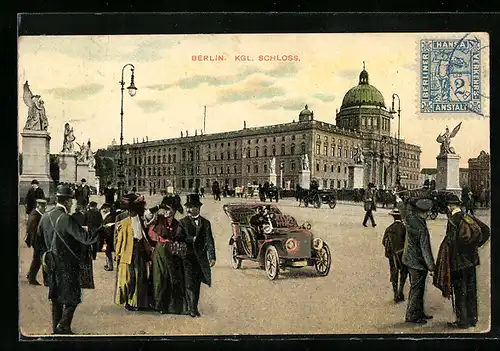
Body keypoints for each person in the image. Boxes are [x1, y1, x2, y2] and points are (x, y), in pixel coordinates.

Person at [37, 184, 98, 334]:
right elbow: (86, 238)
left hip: (51, 264)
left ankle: (57, 330)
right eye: (71, 201)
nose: (72, 204)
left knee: (56, 298)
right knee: (73, 298)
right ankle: (63, 325)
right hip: (67, 266)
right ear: (68, 202)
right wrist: (98, 228)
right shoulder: (66, 219)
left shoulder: (45, 217)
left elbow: (38, 242)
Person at [434, 193, 490, 329]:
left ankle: (462, 321)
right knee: (471, 289)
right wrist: (475, 247)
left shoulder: (453, 220)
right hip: (471, 260)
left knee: (460, 291)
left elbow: (451, 242)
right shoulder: (467, 216)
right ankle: (472, 319)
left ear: (450, 206)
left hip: (458, 261)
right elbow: (486, 230)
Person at [395, 195, 435, 324]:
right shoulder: (421, 228)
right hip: (418, 263)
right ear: (426, 212)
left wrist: (398, 200)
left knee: (418, 287)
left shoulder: (411, 219)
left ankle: (419, 312)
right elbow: (425, 249)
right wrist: (431, 267)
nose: (429, 214)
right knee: (417, 289)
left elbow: (403, 211)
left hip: (409, 259)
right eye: (429, 212)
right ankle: (412, 316)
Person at [177, 194, 216, 317]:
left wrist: (212, 256)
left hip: (200, 258)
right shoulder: (182, 222)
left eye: (191, 207)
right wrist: (191, 239)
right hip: (187, 257)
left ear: (198, 208)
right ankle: (191, 308)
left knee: (197, 283)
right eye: (187, 207)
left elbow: (210, 240)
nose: (188, 210)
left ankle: (193, 306)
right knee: (189, 283)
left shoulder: (205, 223)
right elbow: (179, 237)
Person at [148, 197, 186, 314]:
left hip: (172, 252)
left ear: (174, 211)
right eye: (164, 209)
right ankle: (159, 305)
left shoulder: (177, 223)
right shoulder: (158, 219)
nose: (165, 211)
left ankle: (170, 306)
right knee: (159, 278)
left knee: (171, 279)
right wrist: (158, 207)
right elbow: (147, 214)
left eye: (168, 209)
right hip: (160, 250)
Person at [114, 193, 152, 311]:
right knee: (129, 278)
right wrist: (117, 253)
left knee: (141, 275)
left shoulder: (141, 217)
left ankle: (137, 302)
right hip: (126, 250)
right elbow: (116, 237)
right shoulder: (121, 218)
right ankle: (127, 301)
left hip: (140, 248)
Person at [382, 208, 408, 303]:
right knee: (404, 273)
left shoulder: (389, 228)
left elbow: (384, 242)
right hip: (402, 254)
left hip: (392, 255)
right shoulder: (404, 228)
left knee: (394, 273)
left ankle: (395, 293)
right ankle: (401, 291)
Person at [25, 199, 48, 286]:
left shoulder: (37, 214)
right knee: (38, 260)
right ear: (38, 206)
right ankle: (32, 279)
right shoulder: (35, 216)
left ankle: (30, 275)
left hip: (38, 242)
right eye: (43, 207)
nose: (45, 208)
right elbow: (34, 232)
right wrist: (39, 243)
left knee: (37, 260)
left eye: (45, 206)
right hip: (37, 242)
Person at [99, 203, 116, 271]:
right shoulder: (108, 216)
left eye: (104, 209)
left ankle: (110, 265)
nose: (103, 210)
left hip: (108, 235)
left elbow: (110, 225)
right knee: (106, 250)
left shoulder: (110, 216)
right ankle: (108, 264)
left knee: (108, 250)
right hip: (107, 235)